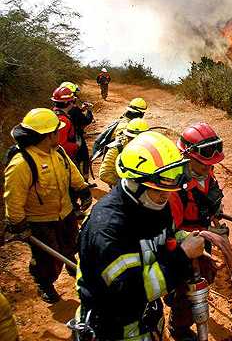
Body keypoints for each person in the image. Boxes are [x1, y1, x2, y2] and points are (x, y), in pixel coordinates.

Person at [74, 131, 206, 340]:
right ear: (134, 183)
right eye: (159, 190)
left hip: (147, 319)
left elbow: (165, 235)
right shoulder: (108, 229)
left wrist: (184, 239)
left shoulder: (153, 202)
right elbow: (130, 292)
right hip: (115, 329)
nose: (166, 195)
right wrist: (182, 256)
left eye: (170, 188)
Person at [3, 108, 92, 303]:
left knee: (71, 243)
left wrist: (83, 189)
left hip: (65, 213)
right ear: (47, 135)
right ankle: (44, 283)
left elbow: (72, 172)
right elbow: (13, 198)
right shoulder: (22, 163)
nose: (60, 133)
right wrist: (19, 224)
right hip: (40, 222)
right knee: (47, 259)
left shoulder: (57, 151)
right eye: (56, 131)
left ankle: (69, 260)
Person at [166, 123, 227, 340]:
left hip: (202, 240)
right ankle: (178, 327)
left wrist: (216, 211)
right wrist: (202, 238)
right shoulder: (173, 187)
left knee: (203, 280)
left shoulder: (206, 172)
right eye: (203, 165)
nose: (208, 169)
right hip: (183, 247)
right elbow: (168, 232)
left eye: (211, 166)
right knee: (187, 292)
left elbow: (212, 194)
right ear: (186, 156)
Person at [99, 118, 150, 188]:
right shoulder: (116, 148)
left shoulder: (149, 147)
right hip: (122, 186)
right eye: (131, 138)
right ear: (127, 137)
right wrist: (126, 185)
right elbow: (104, 174)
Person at [59, 81, 94, 180]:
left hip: (62, 140)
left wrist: (81, 110)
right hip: (75, 138)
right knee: (84, 157)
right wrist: (89, 112)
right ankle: (83, 181)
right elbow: (85, 121)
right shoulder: (74, 109)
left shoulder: (56, 110)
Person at [51, 86, 79, 161]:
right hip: (63, 159)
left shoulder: (52, 115)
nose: (73, 104)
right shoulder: (63, 120)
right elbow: (60, 146)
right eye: (73, 101)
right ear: (68, 102)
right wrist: (76, 146)